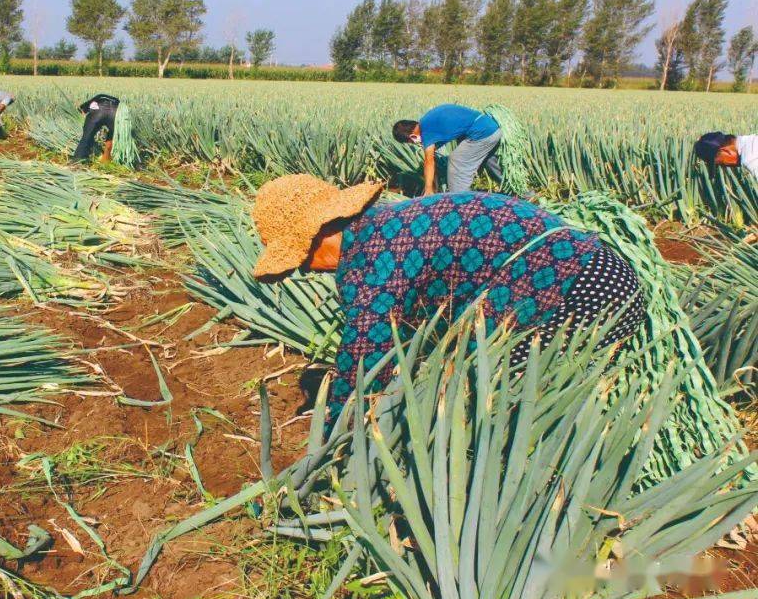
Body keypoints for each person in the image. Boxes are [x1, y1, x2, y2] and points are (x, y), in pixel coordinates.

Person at [250, 175, 647, 423]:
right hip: (601, 273)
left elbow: (366, 354)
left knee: (503, 406)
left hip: (580, 292)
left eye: (301, 257)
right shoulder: (389, 224)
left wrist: (340, 426)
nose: (305, 270)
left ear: (322, 233)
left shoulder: (372, 262)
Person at [393, 104, 515, 195]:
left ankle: (460, 202)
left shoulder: (427, 131)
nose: (414, 144)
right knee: (491, 163)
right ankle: (518, 191)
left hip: (482, 133)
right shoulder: (428, 121)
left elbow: (429, 161)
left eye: (410, 142)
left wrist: (429, 189)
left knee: (457, 160)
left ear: (412, 137)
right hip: (491, 129)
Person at [71, 94, 120, 163]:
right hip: (116, 110)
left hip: (99, 109)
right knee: (111, 137)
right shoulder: (117, 100)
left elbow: (81, 110)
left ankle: (78, 159)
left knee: (87, 135)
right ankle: (106, 160)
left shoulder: (93, 100)